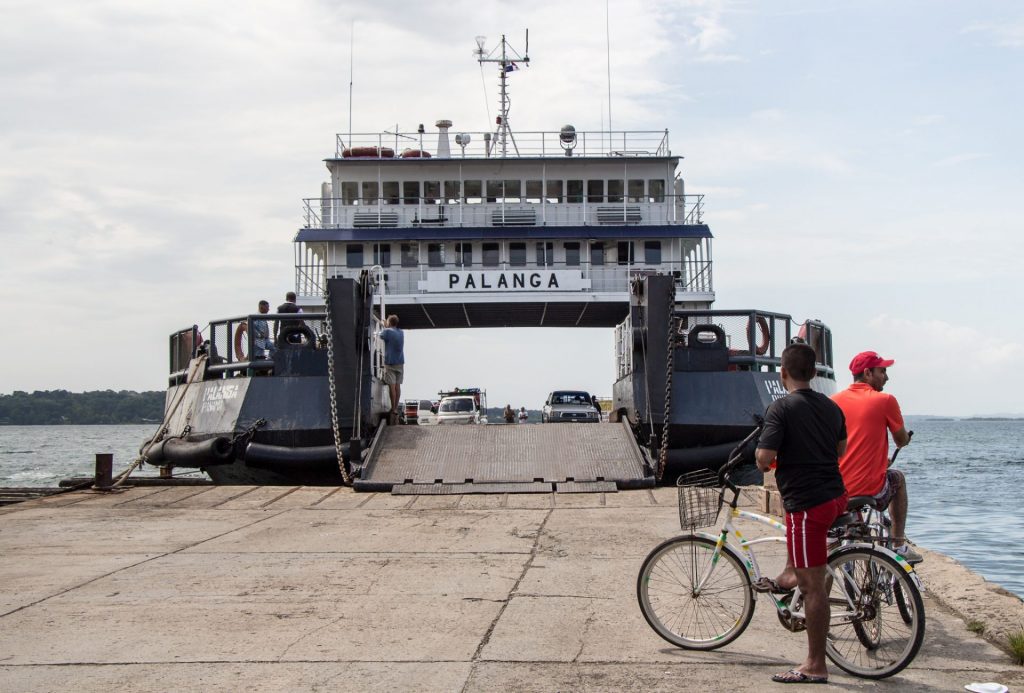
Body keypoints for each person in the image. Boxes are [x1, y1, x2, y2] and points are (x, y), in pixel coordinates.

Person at [755, 343, 848, 685]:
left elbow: (764, 458)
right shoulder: (831, 406)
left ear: (782, 373)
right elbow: (840, 450)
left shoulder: (781, 408)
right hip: (836, 496)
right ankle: (792, 574)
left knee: (812, 588)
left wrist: (762, 456)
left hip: (808, 504)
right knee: (806, 570)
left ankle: (815, 665)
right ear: (812, 373)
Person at [832, 351, 920, 562]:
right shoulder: (885, 400)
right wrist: (905, 439)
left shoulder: (833, 401)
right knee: (897, 478)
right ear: (867, 373)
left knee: (830, 553)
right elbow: (900, 440)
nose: (886, 377)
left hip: (835, 489)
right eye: (882, 371)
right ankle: (898, 545)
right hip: (868, 487)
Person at [379, 314, 404, 425]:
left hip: (390, 362)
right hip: (400, 361)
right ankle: (396, 407)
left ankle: (393, 408)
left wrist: (384, 326)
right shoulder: (401, 332)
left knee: (392, 386)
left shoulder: (387, 331)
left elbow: (380, 336)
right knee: (398, 386)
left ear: (389, 322)